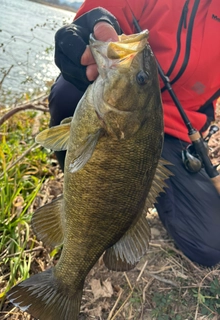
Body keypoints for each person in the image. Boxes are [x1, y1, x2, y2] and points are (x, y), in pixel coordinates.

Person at [48, 0, 220, 267]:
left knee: (209, 245)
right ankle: (80, 201)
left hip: (179, 133)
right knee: (68, 94)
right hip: (125, 115)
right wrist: (94, 21)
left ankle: (140, 205)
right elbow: (108, 8)